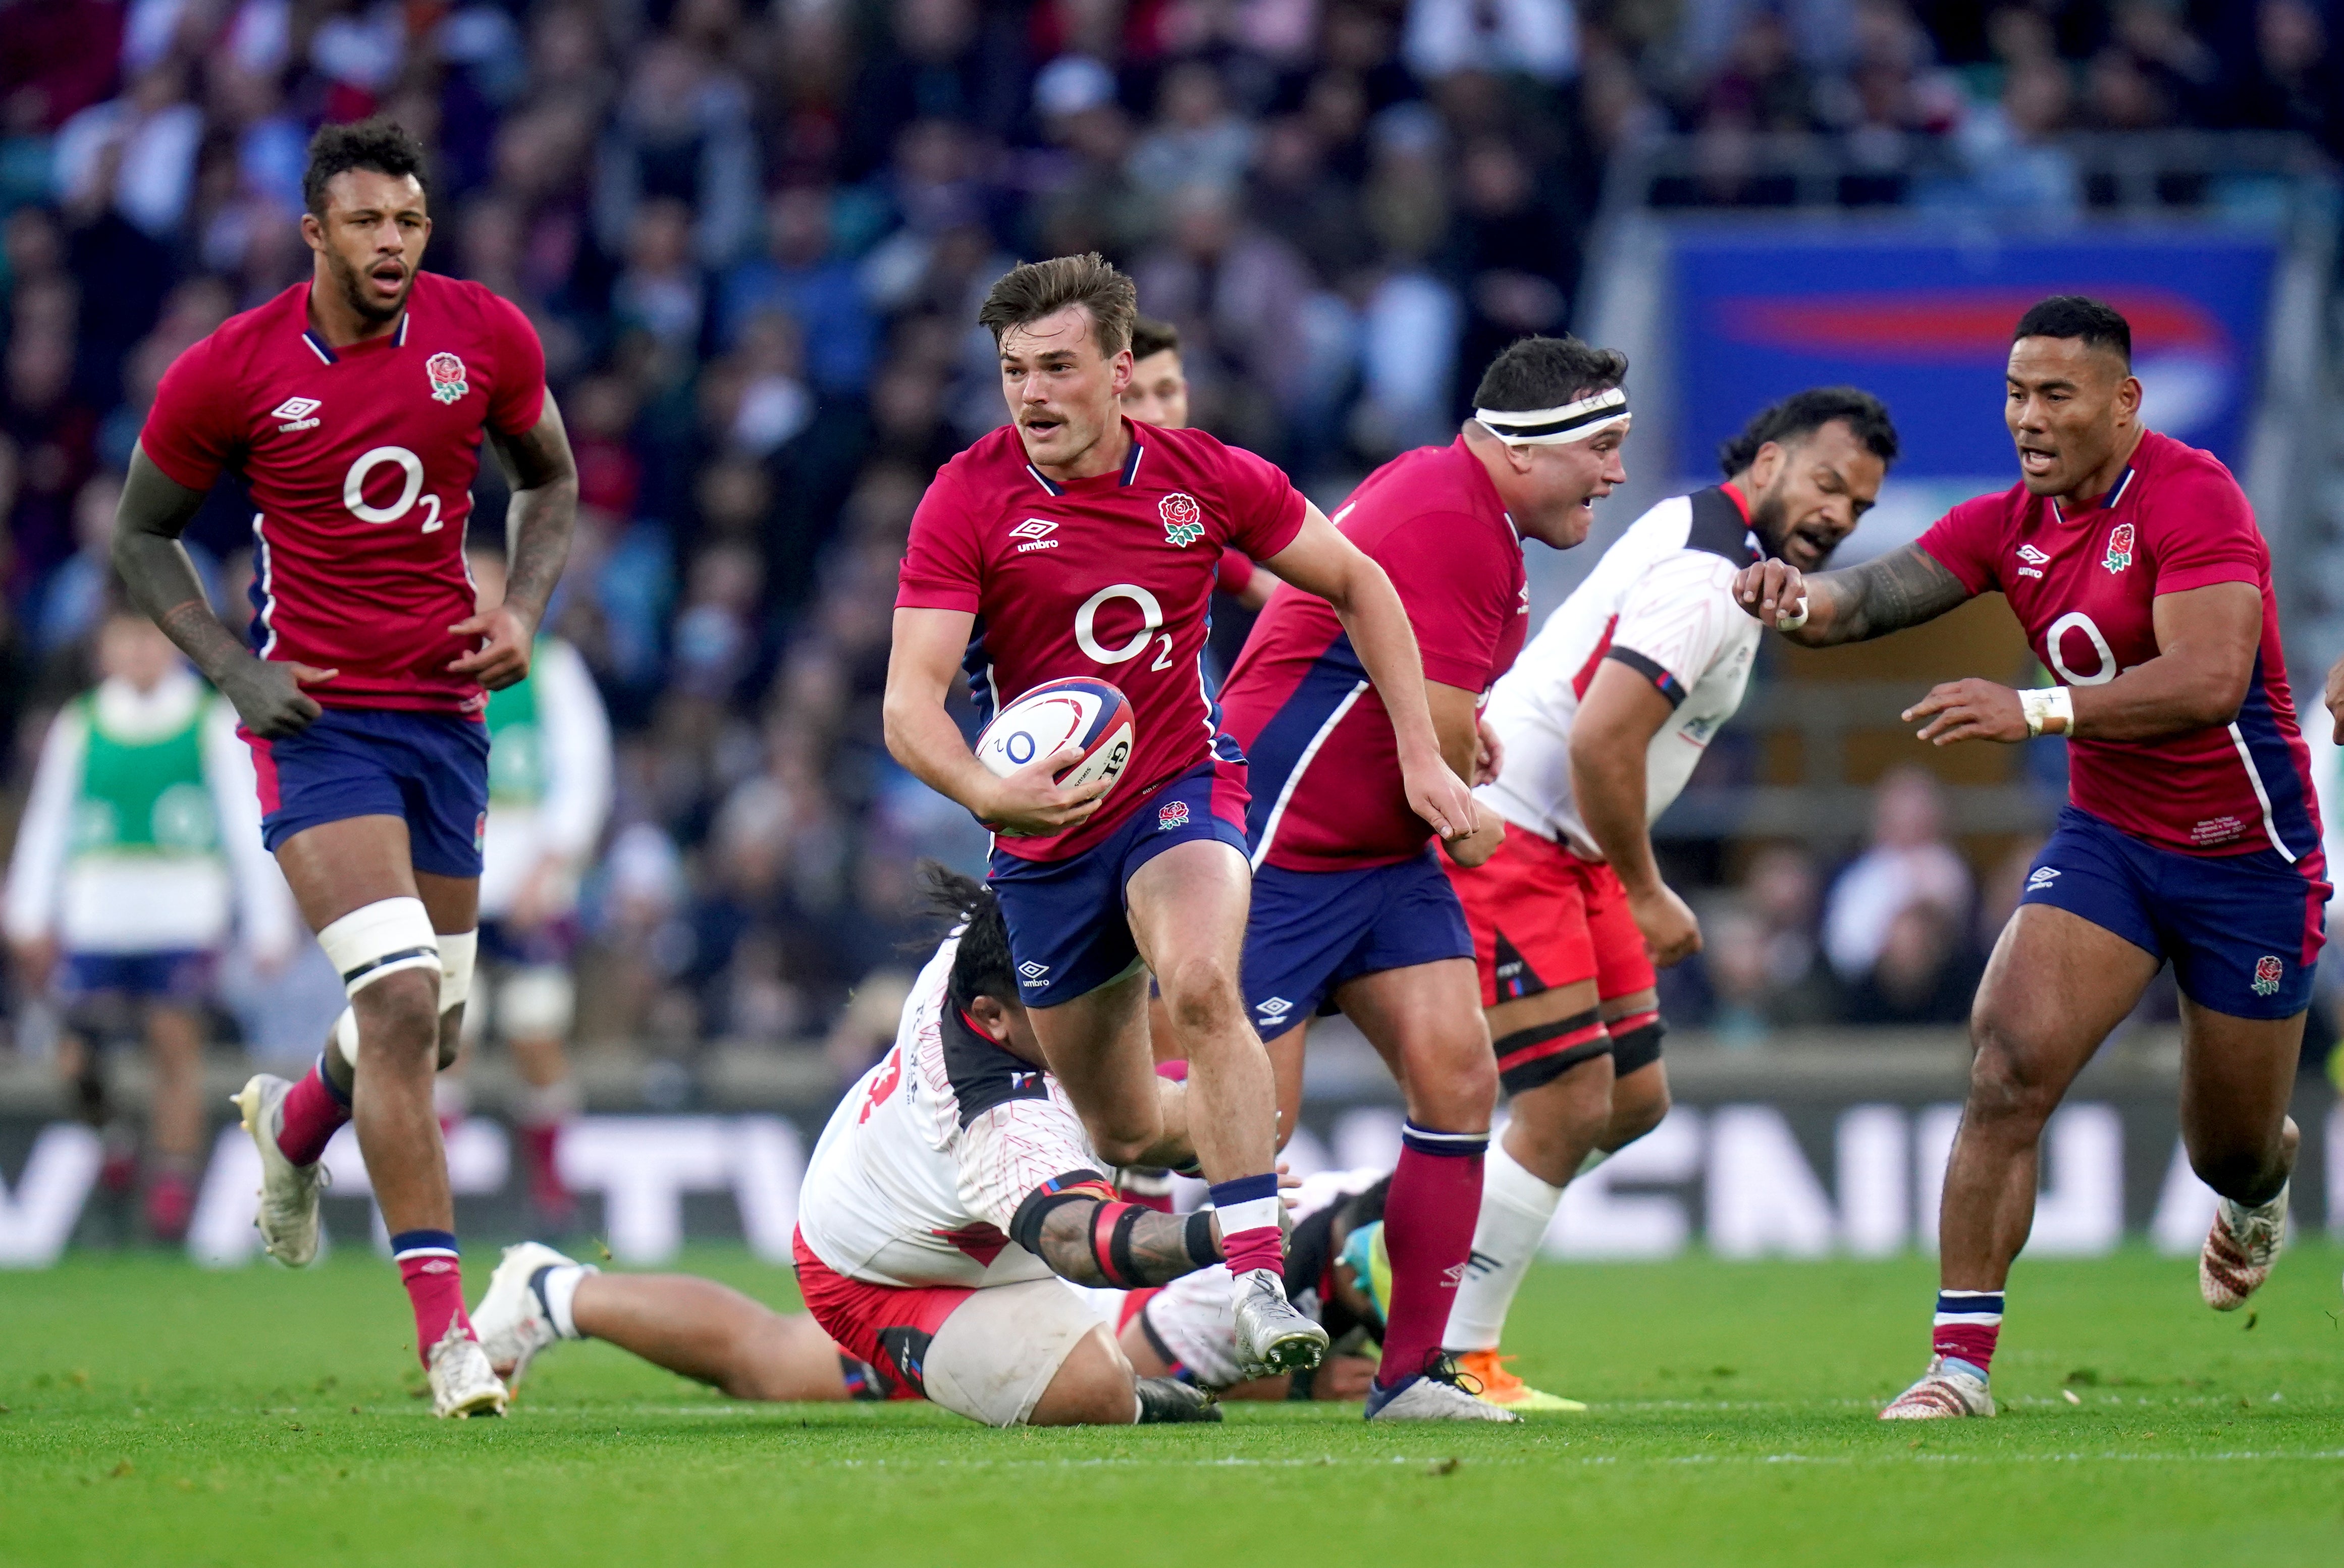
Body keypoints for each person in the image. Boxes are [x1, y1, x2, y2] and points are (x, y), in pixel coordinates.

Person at [883, 253, 1478, 1384]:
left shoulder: (1207, 478)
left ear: (1119, 372)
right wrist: (987, 792)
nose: (1031, 393)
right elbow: (908, 704)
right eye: (1013, 370)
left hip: (1182, 789)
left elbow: (1362, 582)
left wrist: (1422, 754)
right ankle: (1282, 1175)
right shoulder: (968, 494)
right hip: (1043, 842)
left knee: (1203, 983)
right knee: (1126, 1132)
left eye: (1056, 367)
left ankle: (1257, 1276)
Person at [1734, 297, 2324, 1420]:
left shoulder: (2194, 493)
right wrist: (1794, 597)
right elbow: (1872, 595)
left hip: (2248, 857)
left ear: (2123, 401)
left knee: (2229, 1148)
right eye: (2016, 393)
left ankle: (2264, 1176)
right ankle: (1959, 1366)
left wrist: (2037, 708)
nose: (2028, 417)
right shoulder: (2010, 522)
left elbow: (2209, 679)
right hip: (2110, 846)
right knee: (2007, 1062)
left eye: (2056, 394)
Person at [110, 119, 579, 1418]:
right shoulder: (233, 367)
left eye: (410, 223)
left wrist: (525, 610)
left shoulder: (483, 333)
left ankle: (294, 1125)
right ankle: (448, 1340)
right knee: (400, 1004)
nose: (391, 245)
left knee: (434, 1023)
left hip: (445, 719)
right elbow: (142, 535)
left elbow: (550, 477)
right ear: (313, 231)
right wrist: (233, 671)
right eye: (367, 223)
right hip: (314, 721)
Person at [1436, 388, 1896, 1410]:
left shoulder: (1710, 536)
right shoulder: (1707, 575)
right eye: (1828, 484)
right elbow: (1605, 737)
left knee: (1635, 1100)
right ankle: (1455, 1353)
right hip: (1518, 832)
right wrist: (1648, 889)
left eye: (1859, 508)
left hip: (1577, 845)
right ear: (1769, 461)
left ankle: (1411, 1235)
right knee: (1565, 1103)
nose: (1838, 516)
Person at [1214, 335, 1633, 1420]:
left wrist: (1463, 734)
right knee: (1238, 1126)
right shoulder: (1453, 515)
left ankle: (1407, 1376)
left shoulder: (1473, 513)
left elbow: (1441, 713)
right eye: (1603, 446)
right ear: (1528, 449)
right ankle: (1126, 1309)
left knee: (1458, 1080)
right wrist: (1461, 756)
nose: (1616, 472)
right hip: (1277, 849)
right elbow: (1439, 735)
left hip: (1379, 851)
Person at [469, 869, 1224, 1428]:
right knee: (777, 1362)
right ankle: (553, 1292)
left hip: (930, 1197)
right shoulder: (1001, 1125)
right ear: (993, 1017)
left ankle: (555, 1293)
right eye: (1058, 999)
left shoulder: (994, 947)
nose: (1084, 1006)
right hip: (880, 1269)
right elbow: (1081, 1240)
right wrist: (1222, 1228)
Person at [4, 608, 298, 1241]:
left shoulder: (207, 720)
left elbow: (248, 821)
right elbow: (52, 819)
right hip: (97, 915)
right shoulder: (80, 724)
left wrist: (267, 920)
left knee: (173, 1047)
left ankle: (170, 1183)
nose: (139, 654)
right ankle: (110, 1133)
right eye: (125, 641)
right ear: (105, 650)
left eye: (150, 642)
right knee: (77, 1053)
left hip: (182, 912)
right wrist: (27, 912)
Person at [458, 548, 612, 1232]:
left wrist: (551, 867)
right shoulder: (419, 671)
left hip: (529, 886)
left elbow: (585, 773)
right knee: (443, 1037)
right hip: (451, 880)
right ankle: (439, 1191)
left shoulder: (550, 666)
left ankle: (552, 1185)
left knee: (534, 1032)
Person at [1120, 1168, 1389, 1403]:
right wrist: (1300, 1385)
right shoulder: (1232, 1287)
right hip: (1118, 1319)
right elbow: (1130, 1379)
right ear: (1358, 1274)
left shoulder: (1384, 1195)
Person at [1117, 315, 1275, 612]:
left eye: (1166, 394)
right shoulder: (1065, 478)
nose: (1155, 415)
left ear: (1186, 394)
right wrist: (1242, 577)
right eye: (1130, 398)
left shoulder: (1217, 470)